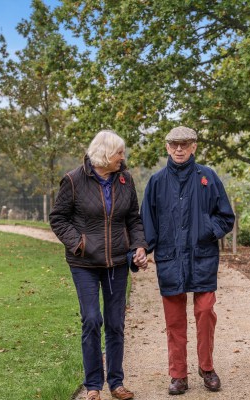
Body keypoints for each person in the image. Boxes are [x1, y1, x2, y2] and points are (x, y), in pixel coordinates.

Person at [49, 129, 148, 400]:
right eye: (119, 152)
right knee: (92, 320)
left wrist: (139, 246)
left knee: (115, 323)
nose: (122, 157)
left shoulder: (125, 180)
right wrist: (79, 244)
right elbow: (58, 218)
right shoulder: (73, 180)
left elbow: (134, 220)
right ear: (104, 154)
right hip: (84, 264)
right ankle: (93, 385)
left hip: (117, 262)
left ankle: (116, 383)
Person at [141, 126, 235, 395]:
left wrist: (208, 230)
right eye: (174, 145)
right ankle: (178, 375)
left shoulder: (208, 177)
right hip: (170, 258)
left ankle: (207, 368)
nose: (179, 149)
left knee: (205, 312)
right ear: (167, 148)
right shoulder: (157, 182)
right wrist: (141, 250)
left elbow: (225, 216)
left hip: (202, 256)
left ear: (194, 146)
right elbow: (147, 222)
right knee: (174, 320)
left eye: (184, 144)